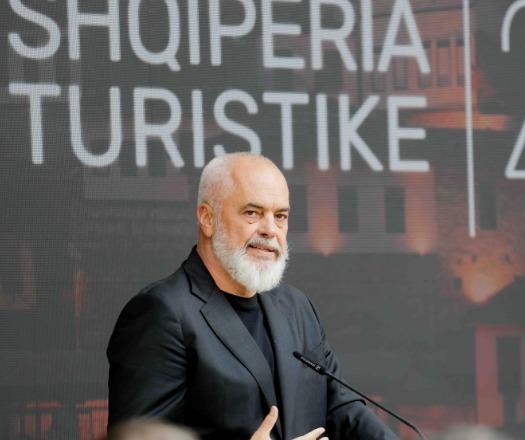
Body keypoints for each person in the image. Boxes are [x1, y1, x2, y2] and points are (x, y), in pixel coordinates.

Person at [107, 153, 397, 440]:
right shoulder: (161, 312)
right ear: (207, 218)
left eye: (280, 216)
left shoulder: (296, 307)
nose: (270, 230)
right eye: (252, 213)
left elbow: (342, 407)